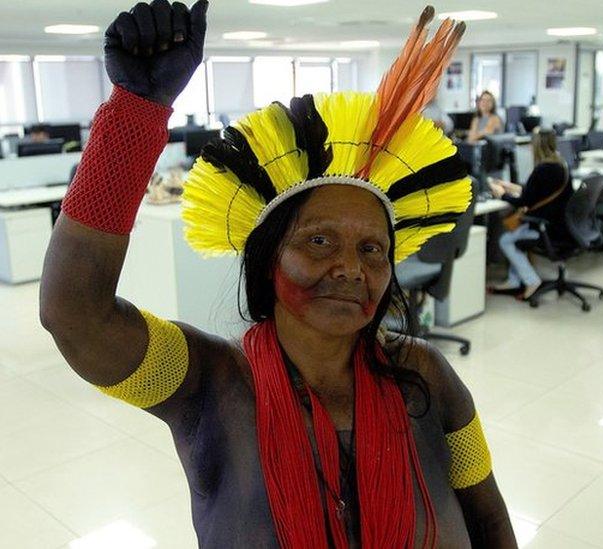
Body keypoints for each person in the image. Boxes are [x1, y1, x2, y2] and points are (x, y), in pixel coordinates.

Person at [39, 1, 516, 547]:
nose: (350, 268)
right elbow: (74, 313)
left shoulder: (428, 375)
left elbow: (492, 522)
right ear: (269, 257)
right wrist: (135, 114)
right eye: (318, 241)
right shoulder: (207, 382)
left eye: (372, 249)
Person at [487, 128, 572, 300]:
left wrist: (501, 194)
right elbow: (538, 193)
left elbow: (523, 202)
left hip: (545, 227)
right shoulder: (562, 164)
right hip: (561, 225)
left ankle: (531, 280)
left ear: (537, 145)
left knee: (506, 240)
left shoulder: (542, 169)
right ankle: (513, 280)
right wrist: (512, 187)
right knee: (514, 236)